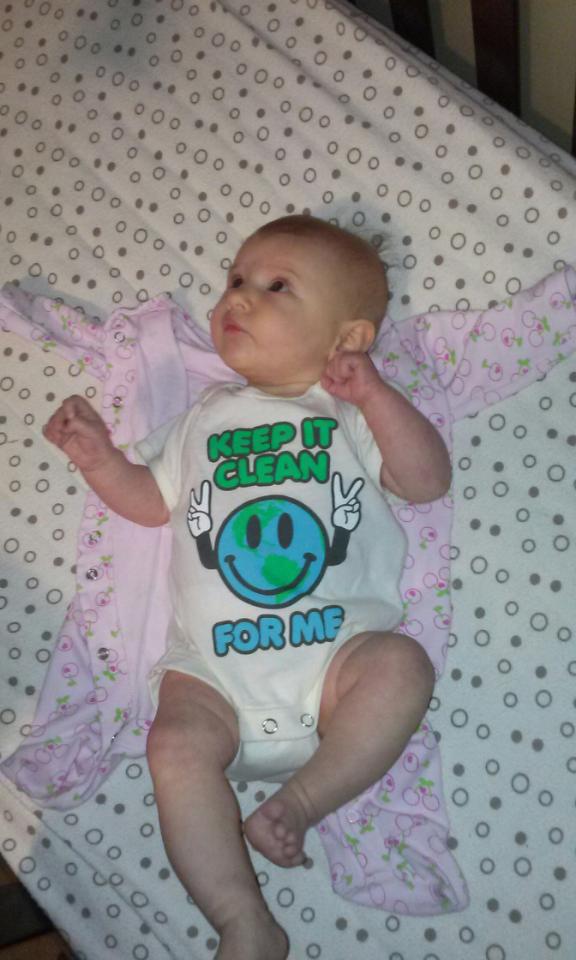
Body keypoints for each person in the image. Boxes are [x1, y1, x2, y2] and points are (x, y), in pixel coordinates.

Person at [43, 215, 451, 960]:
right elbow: (150, 500)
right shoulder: (203, 420)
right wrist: (99, 459)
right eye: (235, 279)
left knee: (403, 667)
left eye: (275, 286)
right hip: (214, 679)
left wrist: (378, 397)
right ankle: (242, 919)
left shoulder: (348, 415)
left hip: (336, 665)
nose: (237, 296)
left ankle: (302, 801)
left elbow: (426, 481)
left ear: (348, 338)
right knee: (172, 745)